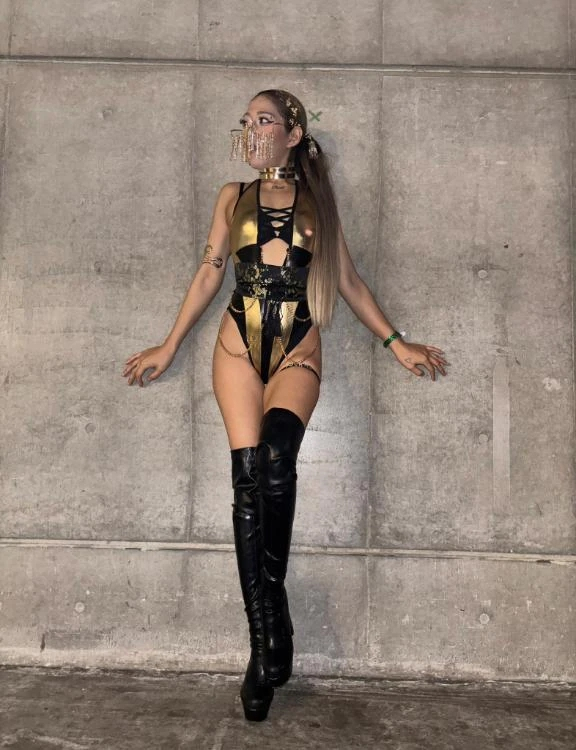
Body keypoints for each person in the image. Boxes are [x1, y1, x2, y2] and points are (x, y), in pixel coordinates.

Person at [121, 89, 449, 721]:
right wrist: (169, 344)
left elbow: (346, 280)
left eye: (264, 119)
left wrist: (396, 343)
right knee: (247, 481)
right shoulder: (231, 195)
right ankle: (263, 642)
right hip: (235, 348)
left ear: (294, 133)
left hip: (297, 346)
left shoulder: (320, 202)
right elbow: (210, 271)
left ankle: (273, 610)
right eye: (247, 120)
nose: (252, 128)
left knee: (276, 457)